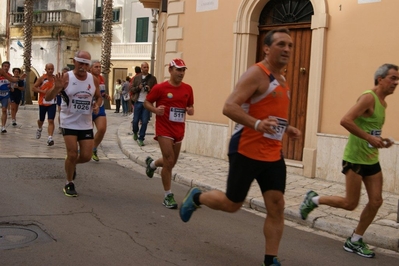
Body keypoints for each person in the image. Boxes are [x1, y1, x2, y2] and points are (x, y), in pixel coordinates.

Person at [179, 28, 301, 266]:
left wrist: (287, 128)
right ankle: (198, 198)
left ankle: (271, 259)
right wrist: (256, 124)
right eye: (281, 44)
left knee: (277, 205)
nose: (287, 49)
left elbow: (270, 115)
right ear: (266, 48)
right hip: (246, 149)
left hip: (273, 154)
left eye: (290, 45)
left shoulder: (283, 79)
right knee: (232, 204)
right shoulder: (256, 74)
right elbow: (229, 107)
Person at [299, 63, 398, 258]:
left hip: (371, 159)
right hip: (354, 159)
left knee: (376, 201)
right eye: (393, 78)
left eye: (397, 78)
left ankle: (355, 240)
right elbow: (345, 120)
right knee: (350, 203)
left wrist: (381, 141)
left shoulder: (383, 102)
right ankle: (314, 199)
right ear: (380, 79)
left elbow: (369, 128)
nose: (396, 82)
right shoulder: (368, 97)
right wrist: (369, 138)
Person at [45, 50, 102, 197]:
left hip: (86, 123)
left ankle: (71, 163)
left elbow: (98, 97)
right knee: (71, 153)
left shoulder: (93, 79)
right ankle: (69, 183)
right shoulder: (66, 77)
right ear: (74, 62)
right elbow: (48, 97)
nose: (83, 66)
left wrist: (96, 105)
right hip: (68, 122)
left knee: (86, 156)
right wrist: (57, 87)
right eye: (80, 62)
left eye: (86, 63)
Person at [144, 58, 194, 209]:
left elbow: (190, 106)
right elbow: (146, 102)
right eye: (178, 69)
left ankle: (152, 164)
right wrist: (155, 110)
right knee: (169, 159)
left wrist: (190, 110)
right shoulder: (160, 88)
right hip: (164, 129)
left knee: (170, 162)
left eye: (183, 70)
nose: (181, 73)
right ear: (170, 70)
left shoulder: (188, 89)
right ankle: (168, 196)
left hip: (179, 129)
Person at [130, 62, 157, 146]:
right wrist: (138, 87)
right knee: (135, 121)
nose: (146, 68)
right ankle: (135, 132)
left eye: (147, 67)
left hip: (147, 103)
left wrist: (150, 89)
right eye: (144, 67)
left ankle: (141, 138)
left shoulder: (152, 78)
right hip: (138, 101)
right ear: (141, 68)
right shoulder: (136, 78)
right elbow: (131, 88)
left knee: (145, 122)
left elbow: (156, 90)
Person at [90, 60, 110, 162]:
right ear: (90, 68)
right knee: (88, 131)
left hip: (100, 106)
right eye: (96, 67)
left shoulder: (102, 79)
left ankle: (93, 148)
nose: (98, 69)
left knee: (102, 129)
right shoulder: (87, 78)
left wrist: (105, 95)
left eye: (99, 67)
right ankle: (84, 148)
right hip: (88, 108)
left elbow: (100, 93)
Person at [32, 63, 57, 146]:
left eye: (52, 69)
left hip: (52, 102)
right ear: (46, 69)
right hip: (43, 102)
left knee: (51, 120)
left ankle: (50, 138)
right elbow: (34, 88)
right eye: (49, 69)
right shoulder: (42, 78)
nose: (50, 70)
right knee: (41, 120)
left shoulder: (55, 79)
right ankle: (39, 128)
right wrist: (43, 91)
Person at [0, 61, 26, 133]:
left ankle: (3, 127)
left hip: (5, 95)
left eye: (7, 66)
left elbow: (12, 80)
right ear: (2, 67)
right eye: (5, 66)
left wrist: (19, 79)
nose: (6, 68)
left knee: (4, 110)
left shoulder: (9, 75)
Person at [56, 67, 70, 134]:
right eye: (64, 72)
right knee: (60, 112)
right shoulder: (60, 79)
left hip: (68, 97)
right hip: (60, 96)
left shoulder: (70, 79)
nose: (65, 73)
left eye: (66, 72)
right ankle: (60, 126)